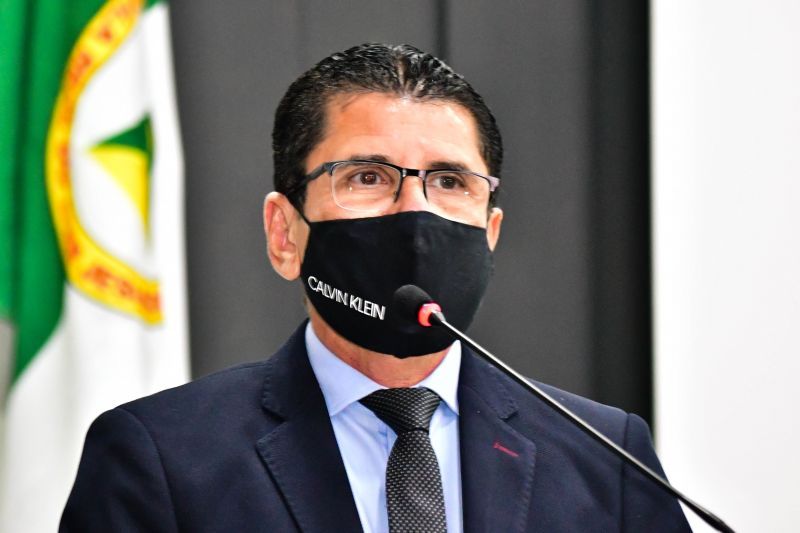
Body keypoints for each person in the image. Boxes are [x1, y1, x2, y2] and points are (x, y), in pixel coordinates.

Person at [61, 43, 690, 532]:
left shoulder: (605, 456)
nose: (414, 214)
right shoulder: (161, 456)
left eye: (450, 182)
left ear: (490, 232)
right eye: (367, 177)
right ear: (284, 234)